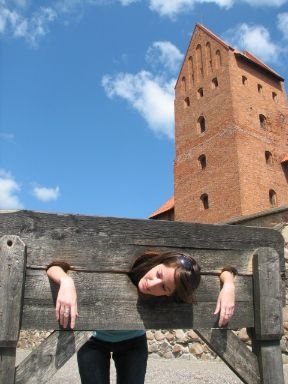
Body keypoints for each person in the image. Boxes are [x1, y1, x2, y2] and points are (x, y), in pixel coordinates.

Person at [46, 250, 236, 384]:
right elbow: (51, 265)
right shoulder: (132, 266)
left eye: (164, 288)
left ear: (170, 295)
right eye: (159, 274)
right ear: (159, 261)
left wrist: (228, 284)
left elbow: (229, 268)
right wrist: (66, 280)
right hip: (92, 339)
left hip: (133, 343)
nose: (153, 283)